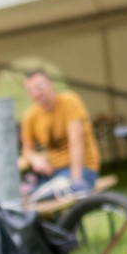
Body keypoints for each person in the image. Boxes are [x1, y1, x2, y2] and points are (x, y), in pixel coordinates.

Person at [20, 68, 101, 201]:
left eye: (39, 87)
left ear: (51, 84)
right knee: (21, 196)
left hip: (82, 168)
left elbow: (76, 141)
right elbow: (27, 150)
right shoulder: (30, 116)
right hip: (53, 173)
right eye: (30, 91)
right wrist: (36, 159)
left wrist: (76, 179)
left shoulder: (69, 101)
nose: (36, 94)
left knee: (43, 196)